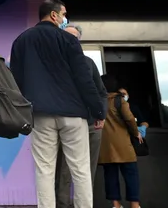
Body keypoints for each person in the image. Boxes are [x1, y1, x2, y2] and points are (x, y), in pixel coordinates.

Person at [10, 0, 104, 208]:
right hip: (73, 113)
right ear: (53, 15)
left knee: (44, 169)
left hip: (40, 113)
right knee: (80, 168)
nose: (64, 19)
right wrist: (98, 110)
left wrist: (23, 110)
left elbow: (15, 80)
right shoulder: (68, 41)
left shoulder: (22, 40)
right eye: (63, 14)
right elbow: (84, 79)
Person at [54, 24, 108, 208]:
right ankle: (61, 204)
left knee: (87, 170)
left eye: (74, 37)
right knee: (63, 170)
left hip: (92, 124)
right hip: (66, 123)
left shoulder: (88, 63)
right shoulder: (53, 63)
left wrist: (102, 115)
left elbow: (101, 92)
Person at [98, 74, 142, 208]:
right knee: (131, 175)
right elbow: (129, 119)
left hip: (105, 146)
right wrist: (136, 133)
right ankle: (134, 205)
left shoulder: (98, 101)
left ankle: (116, 205)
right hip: (123, 144)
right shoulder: (120, 100)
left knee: (110, 176)